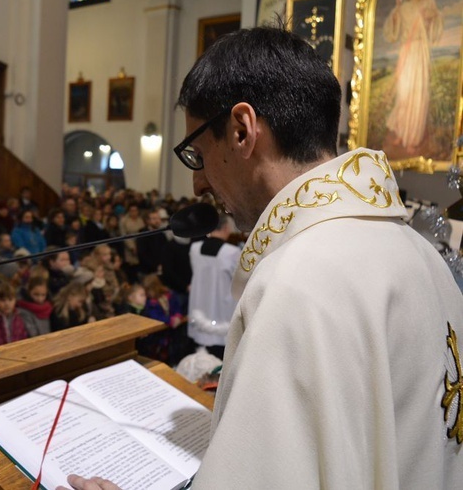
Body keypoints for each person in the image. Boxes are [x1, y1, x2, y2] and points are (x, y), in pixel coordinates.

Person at [60, 26, 463, 489]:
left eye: (196, 155)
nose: (198, 184)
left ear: (241, 130)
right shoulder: (421, 253)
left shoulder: (300, 281)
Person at [382, 0, 443, 152]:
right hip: (406, 52)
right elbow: (392, 32)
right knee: (404, 94)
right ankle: (402, 133)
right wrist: (396, 12)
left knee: (418, 96)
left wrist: (428, 18)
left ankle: (412, 138)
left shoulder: (428, 1)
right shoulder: (403, 7)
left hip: (419, 52)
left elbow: (436, 21)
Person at [187, 211, 241, 360]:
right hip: (221, 308)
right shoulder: (232, 252)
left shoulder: (195, 248)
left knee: (199, 356)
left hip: (199, 303)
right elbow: (239, 280)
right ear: (226, 228)